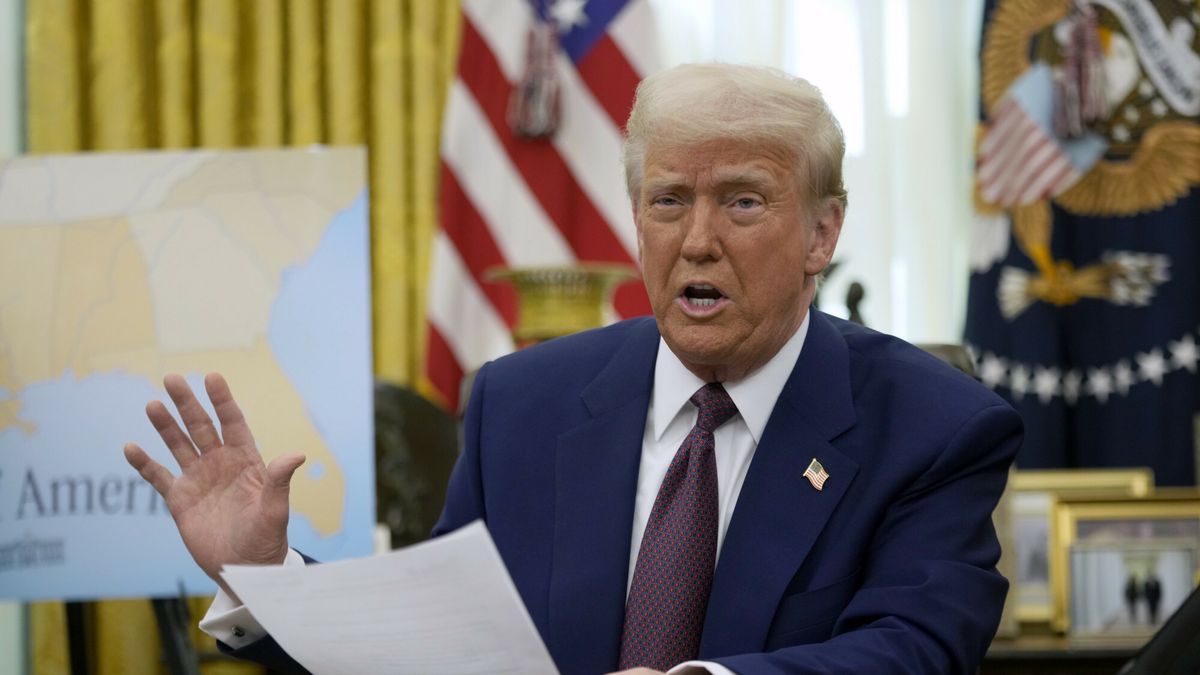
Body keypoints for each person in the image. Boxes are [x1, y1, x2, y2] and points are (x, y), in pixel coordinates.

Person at [125, 63, 1023, 674]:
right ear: (636, 219)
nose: (698, 240)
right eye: (668, 201)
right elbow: (436, 646)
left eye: (743, 201)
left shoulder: (934, 424)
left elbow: (918, 646)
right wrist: (266, 573)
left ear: (823, 232)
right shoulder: (522, 401)